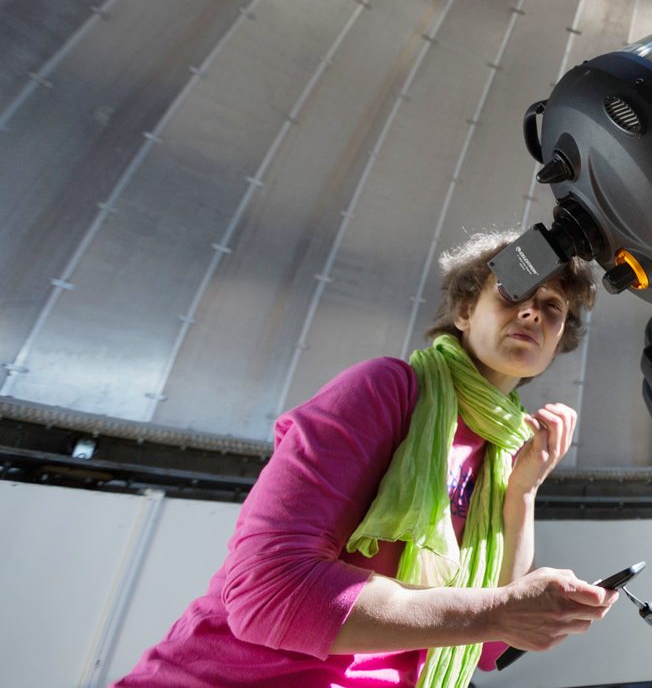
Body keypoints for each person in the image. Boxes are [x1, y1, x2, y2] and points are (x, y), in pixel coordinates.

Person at [116, 230, 617, 688]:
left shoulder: (507, 448)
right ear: (464, 310)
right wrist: (497, 612)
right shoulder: (387, 389)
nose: (532, 312)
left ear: (559, 339)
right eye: (514, 291)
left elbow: (487, 648)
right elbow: (267, 594)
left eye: (552, 306)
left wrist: (522, 492)